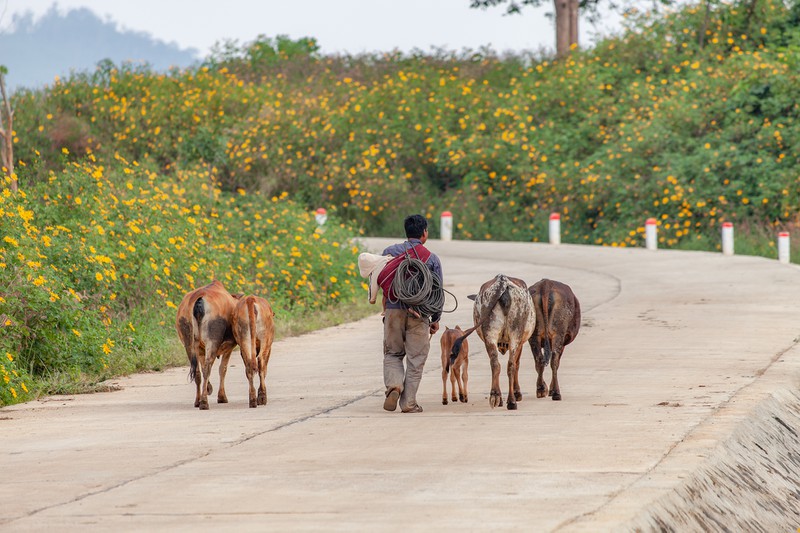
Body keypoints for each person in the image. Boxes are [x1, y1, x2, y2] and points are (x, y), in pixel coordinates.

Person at [380, 214, 442, 413]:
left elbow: (381, 279)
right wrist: (435, 319)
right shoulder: (431, 258)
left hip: (392, 310)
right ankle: (408, 403)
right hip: (419, 314)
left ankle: (394, 386)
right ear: (424, 233)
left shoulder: (389, 252)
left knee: (392, 353)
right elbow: (437, 291)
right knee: (415, 360)